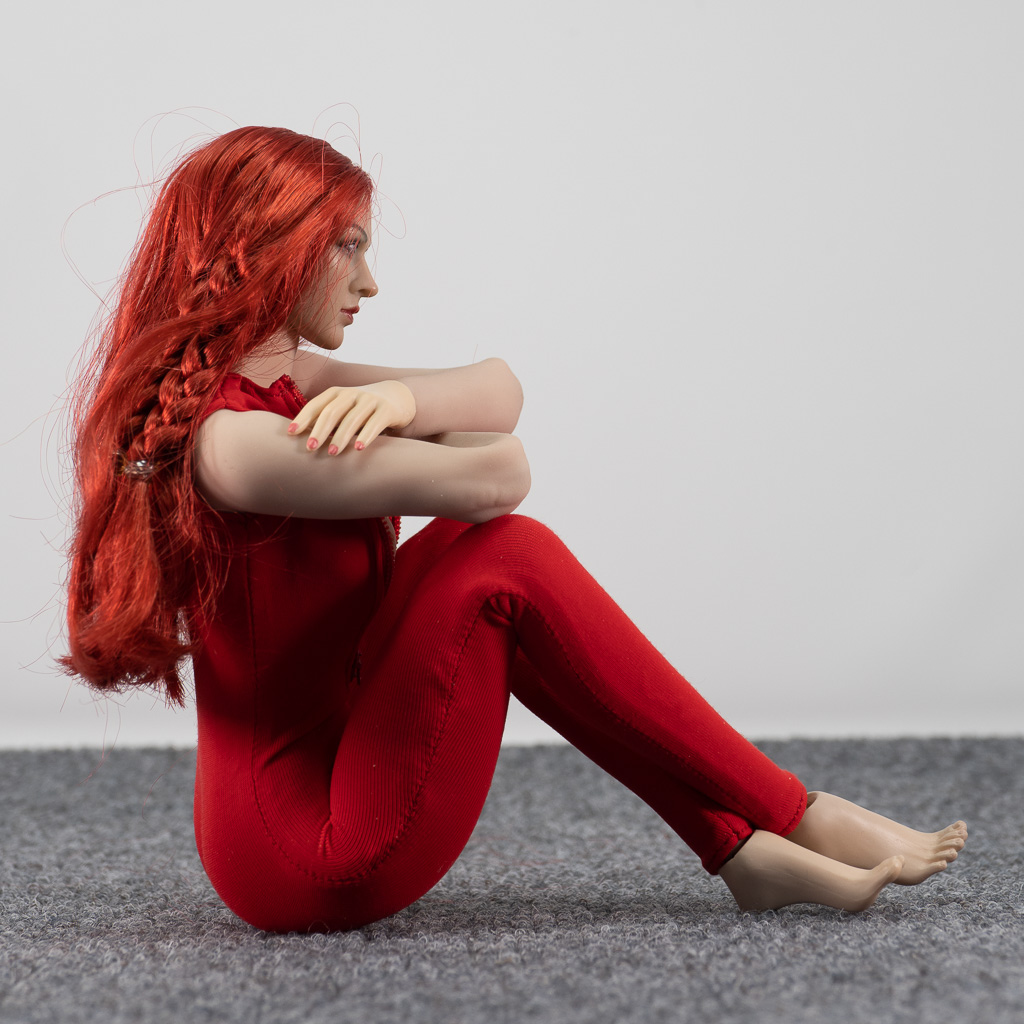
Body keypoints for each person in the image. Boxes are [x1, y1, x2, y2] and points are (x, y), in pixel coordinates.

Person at [60, 125, 967, 933]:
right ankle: (792, 811)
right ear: (271, 246)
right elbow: (500, 476)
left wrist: (403, 398)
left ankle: (738, 845)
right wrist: (426, 417)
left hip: (333, 767)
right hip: (308, 849)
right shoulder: (239, 446)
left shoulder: (289, 390)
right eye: (348, 247)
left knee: (467, 555)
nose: (369, 282)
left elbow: (500, 389)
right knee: (505, 558)